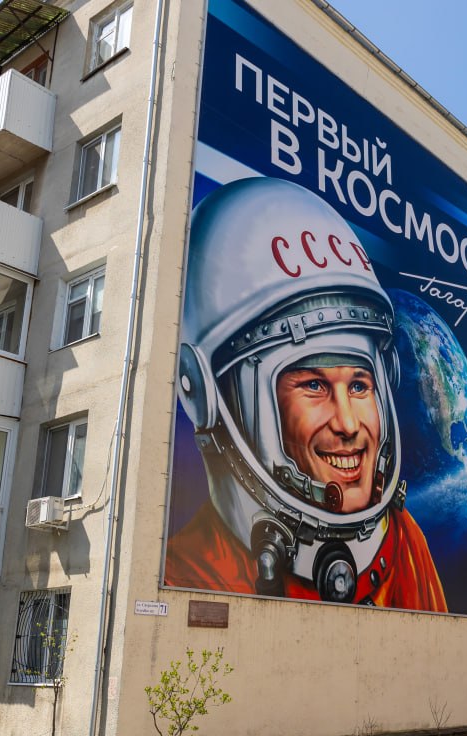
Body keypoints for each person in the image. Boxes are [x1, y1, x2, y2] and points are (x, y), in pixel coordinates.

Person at [164, 177, 446, 611]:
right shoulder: (190, 578)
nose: (350, 424)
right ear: (206, 394)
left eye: (359, 385)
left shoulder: (404, 544)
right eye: (313, 385)